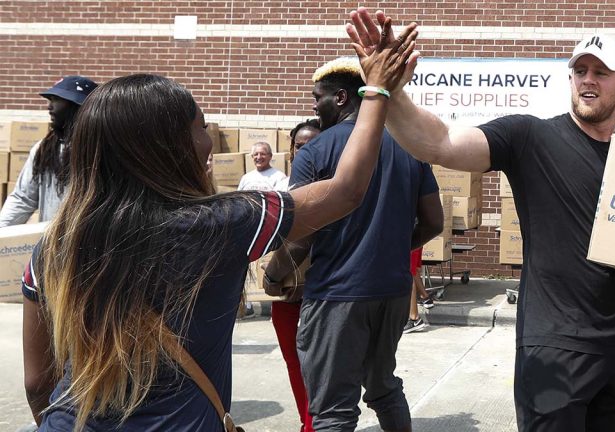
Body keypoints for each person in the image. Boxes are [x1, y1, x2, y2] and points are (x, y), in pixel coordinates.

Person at [346, 8, 615, 431]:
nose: (588, 79)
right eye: (580, 70)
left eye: (602, 72)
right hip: (552, 352)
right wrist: (386, 91)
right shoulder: (529, 137)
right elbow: (440, 143)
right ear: (570, 78)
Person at [21, 18, 418, 431]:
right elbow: (346, 192)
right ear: (169, 148)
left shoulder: (56, 245)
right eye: (200, 127)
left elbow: (37, 382)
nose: (209, 142)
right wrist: (375, 90)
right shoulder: (219, 225)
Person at [263, 55, 443, 432]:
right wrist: (391, 248)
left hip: (337, 295)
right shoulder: (409, 147)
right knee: (384, 388)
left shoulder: (316, 150)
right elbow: (433, 223)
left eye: (318, 97)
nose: (313, 105)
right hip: (392, 293)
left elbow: (301, 233)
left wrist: (274, 273)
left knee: (332, 411)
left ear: (342, 98)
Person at [268, 119, 322, 432]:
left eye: (313, 144)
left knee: (319, 365)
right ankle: (307, 421)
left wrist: (274, 276)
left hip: (320, 290)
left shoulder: (336, 188)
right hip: (285, 292)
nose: (305, 151)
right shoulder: (278, 188)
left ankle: (316, 424)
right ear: (291, 150)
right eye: (300, 145)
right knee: (293, 361)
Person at [0, 75, 97, 227]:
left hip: (90, 243)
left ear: (76, 105)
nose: (49, 107)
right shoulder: (44, 148)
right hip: (51, 244)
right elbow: (23, 199)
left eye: (56, 99)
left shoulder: (100, 150)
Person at [403, 246, 433, 334]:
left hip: (410, 240)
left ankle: (414, 318)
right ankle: (425, 298)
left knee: (408, 273)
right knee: (413, 270)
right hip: (416, 239)